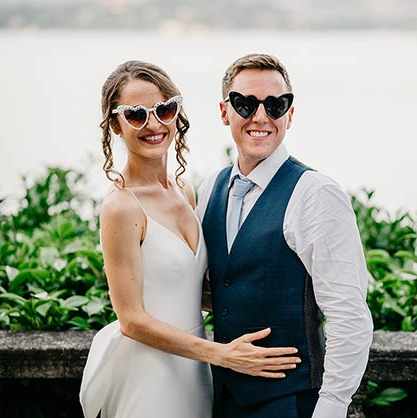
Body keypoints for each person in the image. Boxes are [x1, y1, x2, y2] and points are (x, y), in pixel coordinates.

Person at [79, 60, 301, 418]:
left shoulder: (185, 190)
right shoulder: (121, 206)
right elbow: (131, 320)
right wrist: (223, 354)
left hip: (195, 369)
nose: (154, 125)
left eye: (164, 110)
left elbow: (192, 288)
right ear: (115, 126)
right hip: (152, 372)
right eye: (136, 115)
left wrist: (286, 304)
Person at [195, 53, 374, 418]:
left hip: (291, 403)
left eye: (276, 105)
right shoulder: (210, 188)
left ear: (290, 115)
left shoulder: (315, 193)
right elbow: (221, 290)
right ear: (224, 111)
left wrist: (332, 407)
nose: (260, 117)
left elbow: (348, 314)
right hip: (221, 398)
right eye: (245, 103)